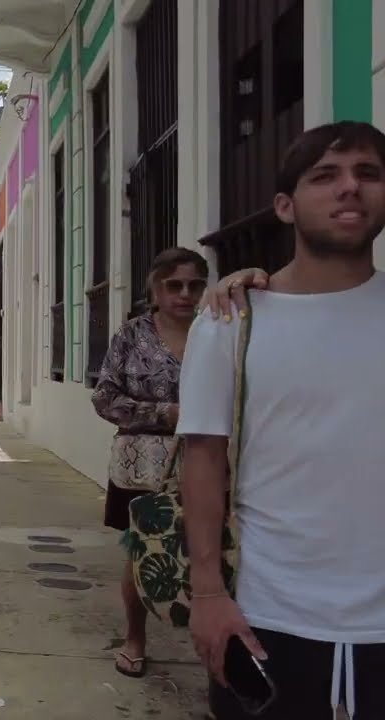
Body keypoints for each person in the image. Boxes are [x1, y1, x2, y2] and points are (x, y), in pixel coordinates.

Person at [177, 121, 385, 719]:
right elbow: (203, 460)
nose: (350, 188)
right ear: (285, 207)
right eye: (326, 176)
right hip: (267, 620)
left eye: (367, 174)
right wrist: (209, 592)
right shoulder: (231, 324)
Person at [91, 246, 209, 679]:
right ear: (155, 289)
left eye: (194, 285)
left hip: (206, 459)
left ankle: (211, 637)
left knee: (209, 549)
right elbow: (104, 398)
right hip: (141, 463)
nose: (184, 294)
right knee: (142, 553)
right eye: (173, 285)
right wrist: (165, 414)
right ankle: (134, 637)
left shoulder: (215, 332)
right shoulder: (131, 336)